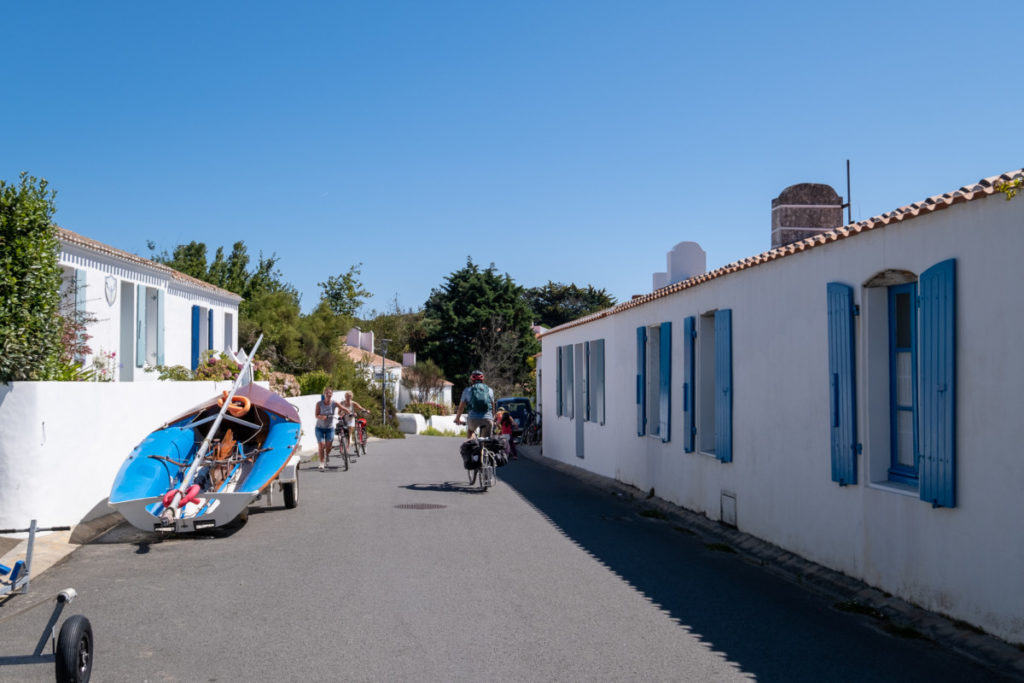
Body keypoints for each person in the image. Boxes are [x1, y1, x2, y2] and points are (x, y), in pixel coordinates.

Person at [454, 370, 496, 438]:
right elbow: (493, 407)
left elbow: (461, 408)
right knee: (485, 440)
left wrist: (457, 419)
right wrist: (493, 419)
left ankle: (471, 443)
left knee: (470, 431)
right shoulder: (490, 390)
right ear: (482, 380)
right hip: (488, 419)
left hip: (473, 419)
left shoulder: (467, 391)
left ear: (472, 380)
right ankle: (483, 447)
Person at [314, 388, 340, 471]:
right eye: (327, 393)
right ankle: (322, 462)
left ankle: (327, 455)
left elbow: (343, 408)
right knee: (321, 445)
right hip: (319, 428)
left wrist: (350, 413)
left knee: (328, 446)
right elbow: (316, 415)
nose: (328, 394)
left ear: (332, 394)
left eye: (330, 393)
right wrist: (322, 417)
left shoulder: (334, 403)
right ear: (324, 394)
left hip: (330, 428)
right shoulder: (319, 403)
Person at [337, 391, 369, 455]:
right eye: (347, 396)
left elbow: (360, 408)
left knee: (349, 434)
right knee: (343, 433)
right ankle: (343, 443)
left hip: (351, 419)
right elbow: (338, 412)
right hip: (344, 419)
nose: (348, 397)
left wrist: (365, 410)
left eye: (349, 396)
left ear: (351, 397)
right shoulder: (342, 403)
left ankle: (347, 448)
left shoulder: (353, 403)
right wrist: (342, 414)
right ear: (345, 396)